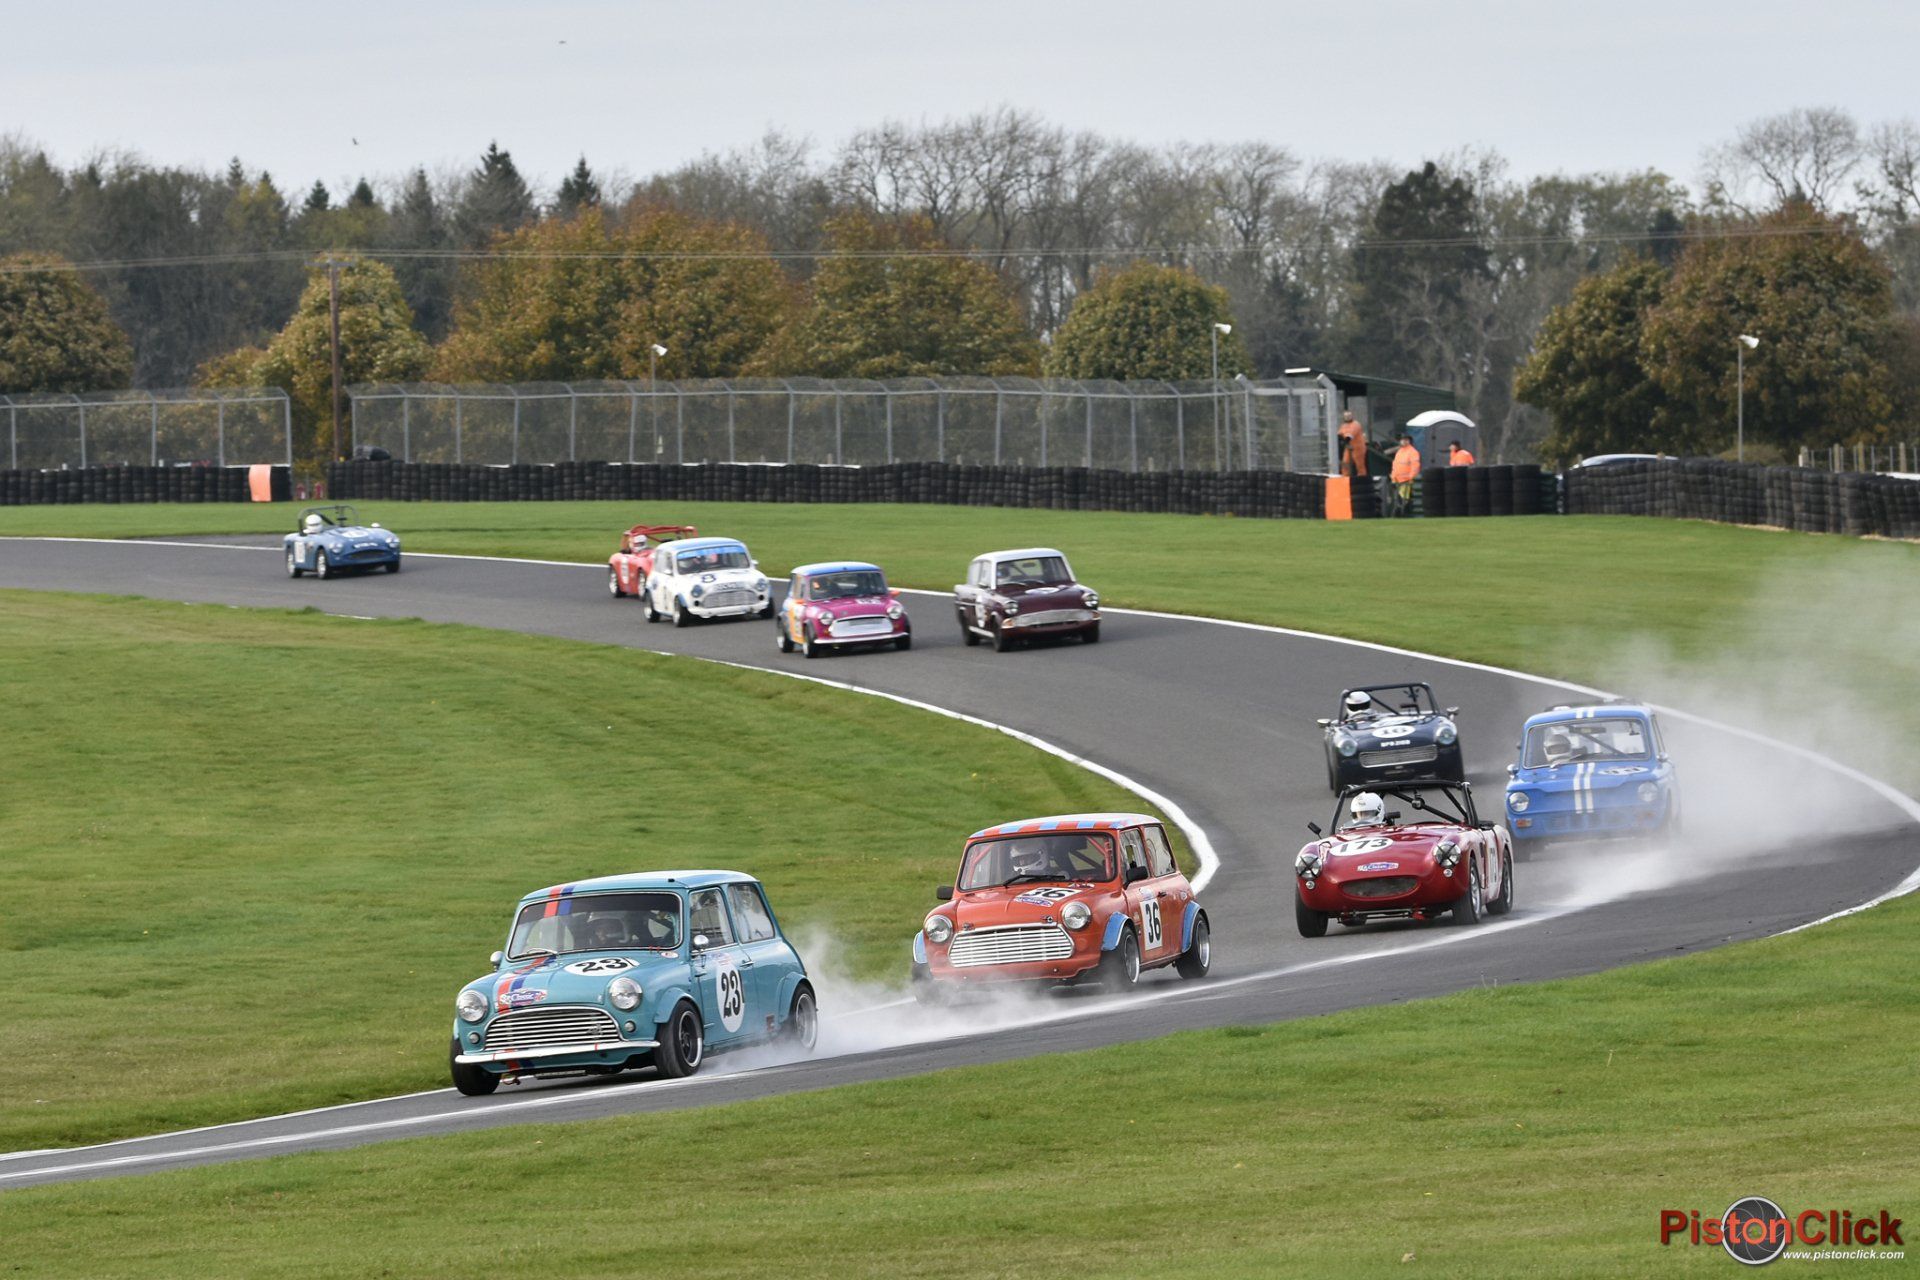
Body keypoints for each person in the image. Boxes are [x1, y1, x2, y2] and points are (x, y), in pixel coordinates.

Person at [1390, 434, 1422, 513]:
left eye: (1406, 439)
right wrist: (1393, 477)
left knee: (1404, 498)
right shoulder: (1399, 452)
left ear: (1409, 441)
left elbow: (1415, 466)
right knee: (1399, 499)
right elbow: (1395, 465)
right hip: (1397, 481)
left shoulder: (1413, 452)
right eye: (1402, 439)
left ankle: (1404, 512)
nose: (1404, 441)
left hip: (1406, 480)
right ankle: (1401, 512)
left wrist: (1411, 477)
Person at [1337, 411, 1368, 478]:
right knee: (1345, 463)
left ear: (1352, 416)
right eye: (1346, 416)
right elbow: (1339, 434)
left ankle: (1362, 478)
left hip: (1358, 447)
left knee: (1359, 464)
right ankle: (1345, 478)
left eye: (1349, 416)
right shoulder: (1344, 426)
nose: (1347, 417)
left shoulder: (1356, 424)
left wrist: (1343, 441)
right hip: (1348, 447)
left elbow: (1349, 436)